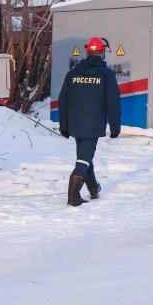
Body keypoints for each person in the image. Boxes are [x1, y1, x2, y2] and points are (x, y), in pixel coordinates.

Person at [57, 36, 122, 207]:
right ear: (102, 53)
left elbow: (63, 100)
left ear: (88, 52)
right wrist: (115, 127)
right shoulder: (106, 74)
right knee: (84, 158)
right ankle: (73, 196)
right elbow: (113, 102)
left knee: (85, 156)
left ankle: (93, 189)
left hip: (76, 124)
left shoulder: (73, 73)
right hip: (93, 125)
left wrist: (64, 125)